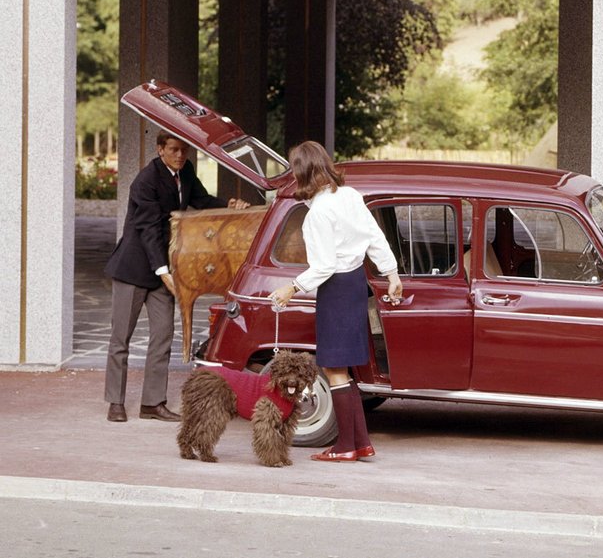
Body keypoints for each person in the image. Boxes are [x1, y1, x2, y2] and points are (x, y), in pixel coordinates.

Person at [269, 141, 403, 463]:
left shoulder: (316, 214)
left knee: (334, 368)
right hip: (356, 282)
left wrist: (291, 287)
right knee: (344, 368)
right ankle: (361, 442)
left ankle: (345, 447)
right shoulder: (351, 195)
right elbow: (374, 236)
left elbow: (325, 266)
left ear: (301, 173)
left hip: (336, 287)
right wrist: (392, 272)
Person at [104, 132, 250, 423]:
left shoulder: (186, 172)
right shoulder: (145, 181)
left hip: (162, 270)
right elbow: (148, 230)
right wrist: (164, 272)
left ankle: (152, 404)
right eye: (174, 150)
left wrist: (228, 205)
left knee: (163, 336)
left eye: (184, 151)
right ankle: (115, 403)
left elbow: (201, 199)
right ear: (160, 150)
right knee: (121, 338)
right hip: (134, 268)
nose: (180, 155)